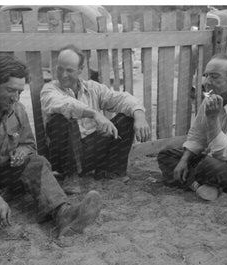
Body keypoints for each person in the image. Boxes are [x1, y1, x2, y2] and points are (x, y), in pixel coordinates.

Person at [0, 55, 101, 237]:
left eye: (20, 92)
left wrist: (22, 150)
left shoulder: (18, 109)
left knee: (38, 162)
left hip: (5, 171)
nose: (15, 98)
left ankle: (63, 214)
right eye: (11, 90)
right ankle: (11, 195)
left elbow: (29, 145)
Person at [40, 44, 151, 194]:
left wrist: (139, 116)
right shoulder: (50, 89)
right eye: (60, 68)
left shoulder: (92, 88)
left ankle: (111, 172)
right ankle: (70, 177)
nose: (63, 74)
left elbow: (121, 99)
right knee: (62, 119)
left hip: (90, 152)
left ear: (80, 70)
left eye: (69, 70)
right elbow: (63, 104)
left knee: (127, 117)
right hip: (64, 157)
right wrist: (94, 113)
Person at [157, 53, 227, 201]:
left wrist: (212, 119)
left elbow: (224, 153)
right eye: (206, 75)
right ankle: (198, 186)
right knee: (166, 154)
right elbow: (197, 135)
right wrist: (184, 160)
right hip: (211, 157)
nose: (207, 82)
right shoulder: (211, 98)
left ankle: (194, 181)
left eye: (214, 77)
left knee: (206, 166)